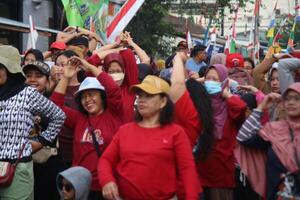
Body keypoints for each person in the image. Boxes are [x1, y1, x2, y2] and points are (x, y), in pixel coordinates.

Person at [98, 75, 201, 200]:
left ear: (163, 101)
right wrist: (107, 180)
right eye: (140, 95)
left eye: (149, 96)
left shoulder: (176, 133)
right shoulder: (124, 131)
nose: (141, 100)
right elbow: (106, 160)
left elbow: (187, 170)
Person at [51, 56, 123, 200]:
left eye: (91, 95)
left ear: (102, 96)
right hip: (80, 187)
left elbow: (113, 89)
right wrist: (66, 77)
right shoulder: (79, 119)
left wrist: (89, 67)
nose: (87, 100)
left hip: (108, 186)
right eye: (83, 97)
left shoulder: (114, 114)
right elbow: (54, 107)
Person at [0, 45, 65, 200]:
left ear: (10, 69)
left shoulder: (27, 93)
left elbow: (58, 116)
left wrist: (41, 141)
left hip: (17, 170)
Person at [236, 82, 300, 200]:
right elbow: (243, 137)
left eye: (297, 98)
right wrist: (261, 107)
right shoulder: (274, 130)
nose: (291, 102)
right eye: (288, 98)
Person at [199, 64, 247, 200]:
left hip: (221, 171)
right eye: (207, 79)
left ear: (224, 82)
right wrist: (199, 81)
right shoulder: (200, 104)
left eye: (215, 79)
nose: (210, 82)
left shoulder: (229, 105)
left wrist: (227, 95)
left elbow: (241, 108)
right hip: (200, 170)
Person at [23, 60, 62, 200]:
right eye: (28, 75)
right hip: (23, 164)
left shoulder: (53, 100)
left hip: (48, 163)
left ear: (47, 80)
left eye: (38, 75)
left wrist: (40, 142)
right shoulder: (17, 99)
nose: (32, 79)